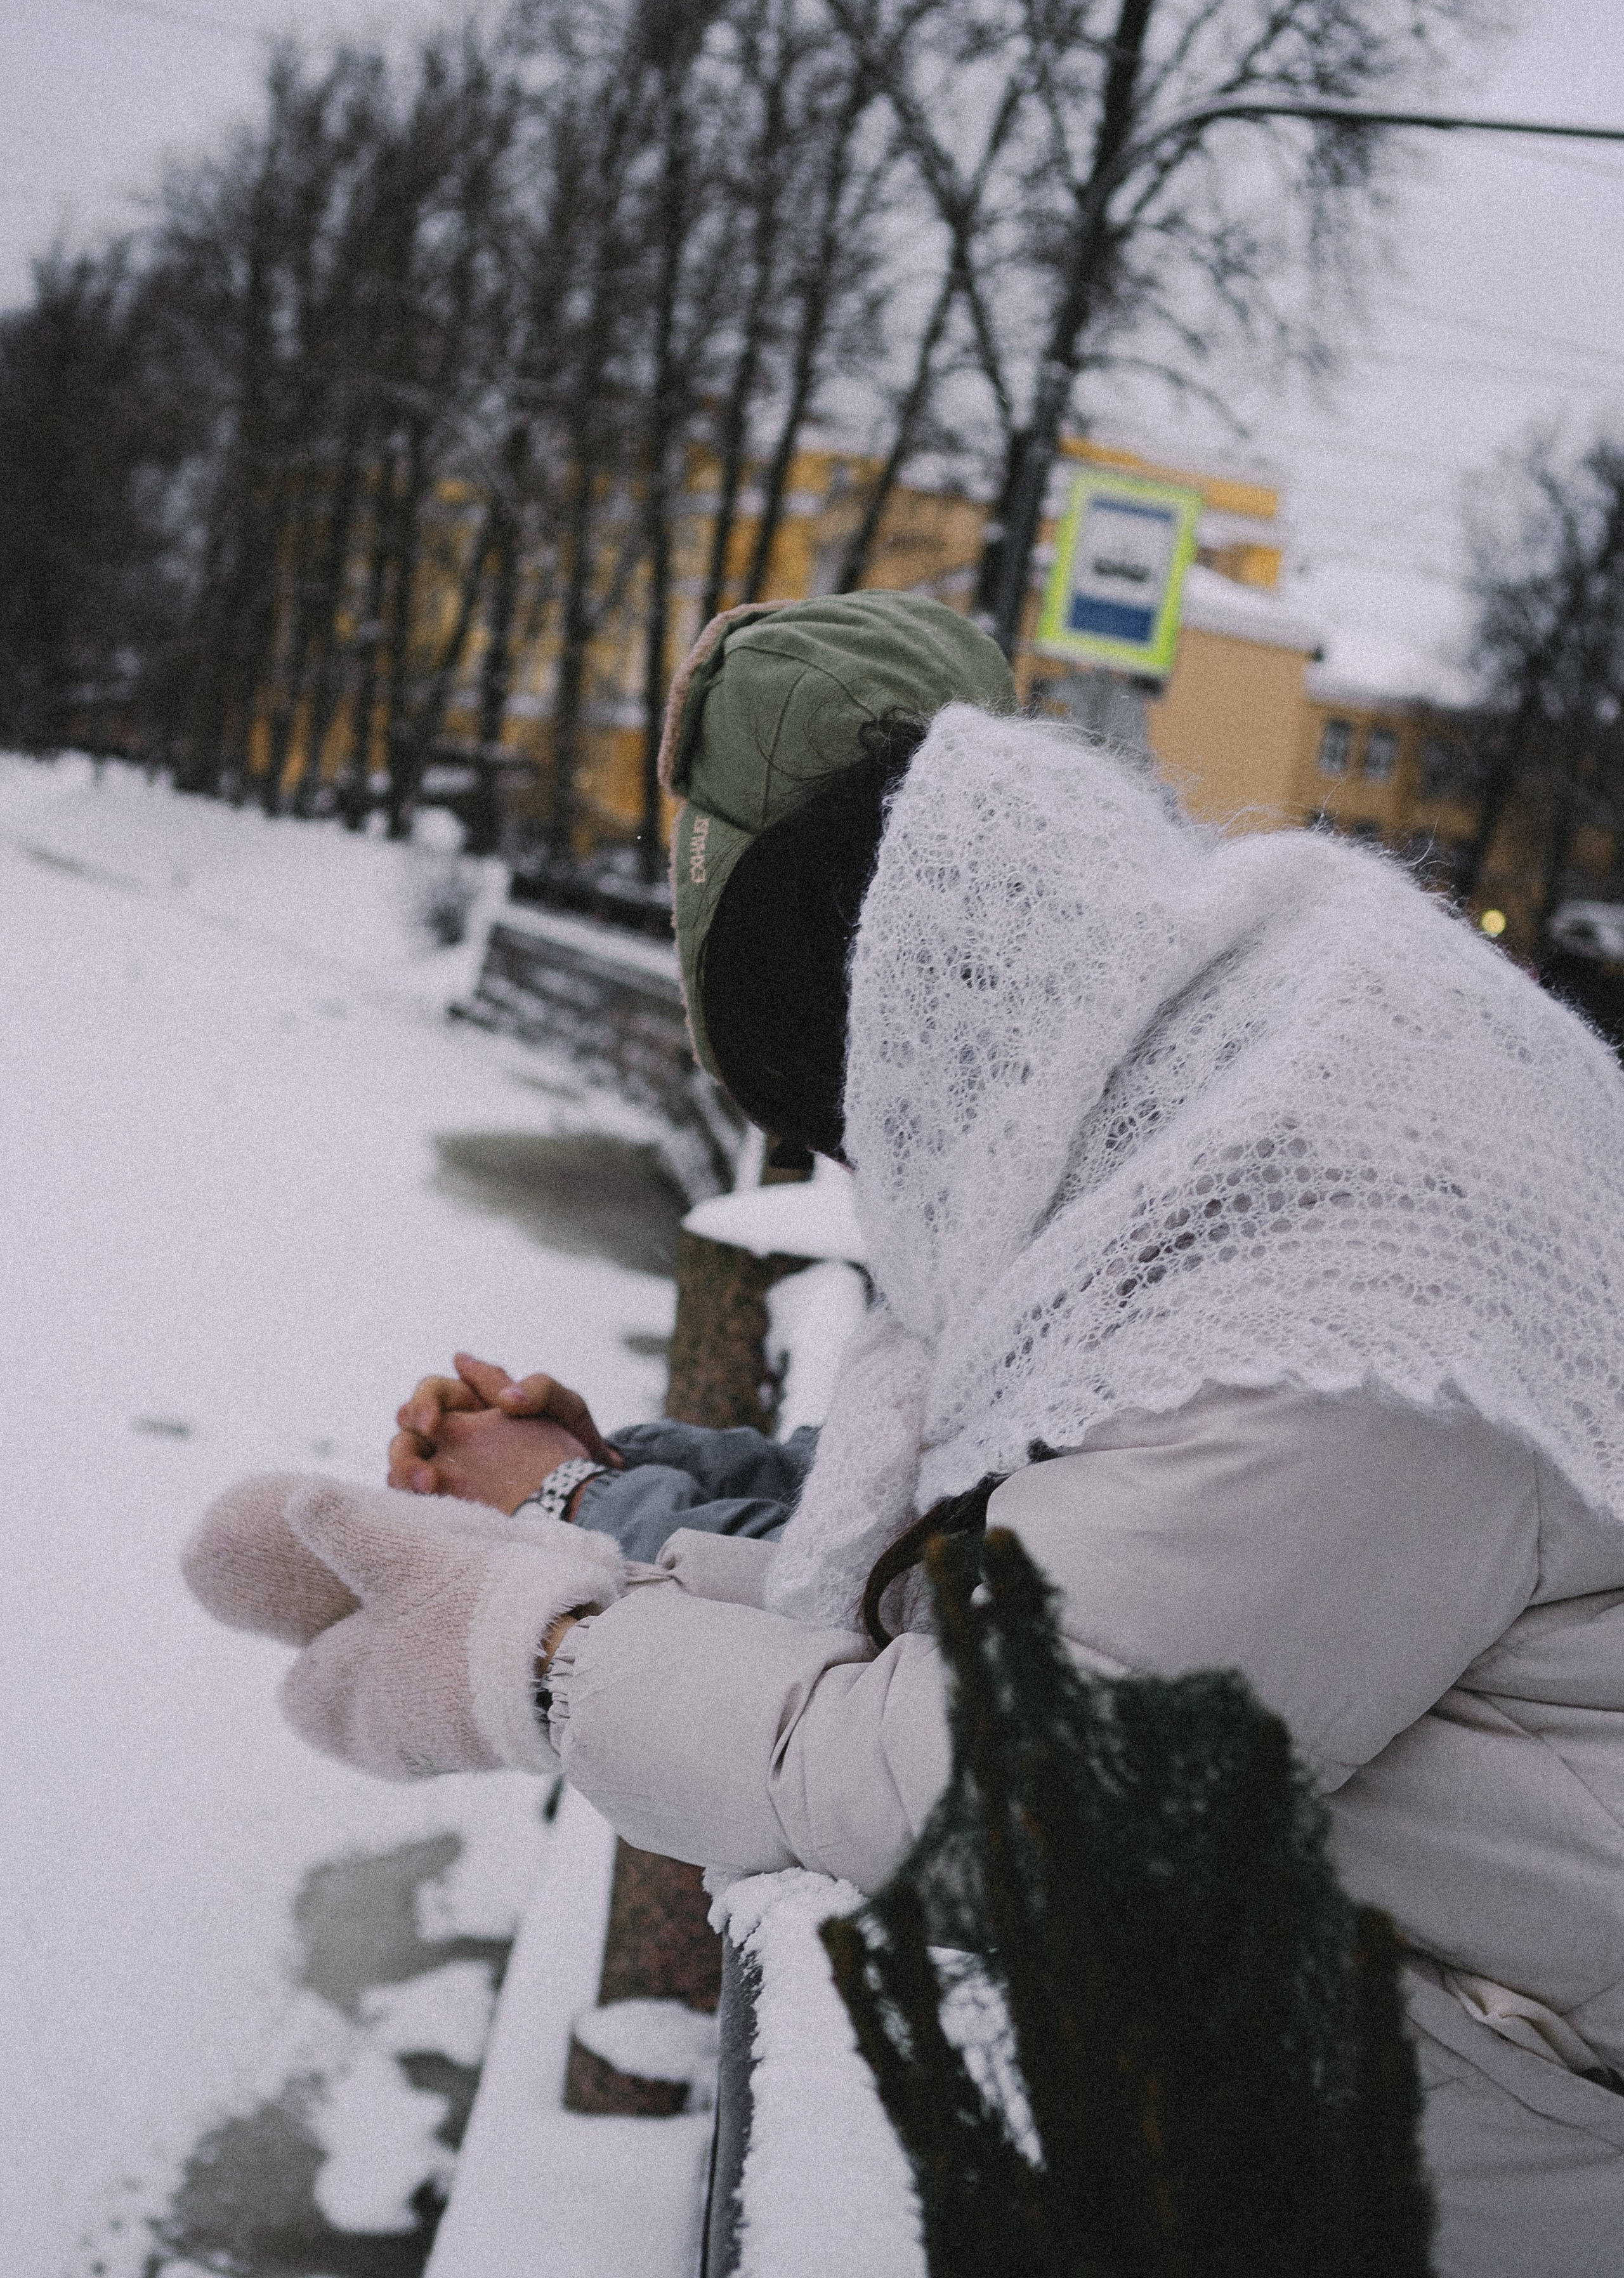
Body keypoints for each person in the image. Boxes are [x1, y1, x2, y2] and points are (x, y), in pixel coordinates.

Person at [187, 589, 1624, 2275]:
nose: (883, 1203)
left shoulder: (1337, 1297)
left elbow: (985, 1790)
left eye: (858, 1132)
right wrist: (591, 1500)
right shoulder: (1253, 1049)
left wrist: (534, 1646)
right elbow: (1034, 1556)